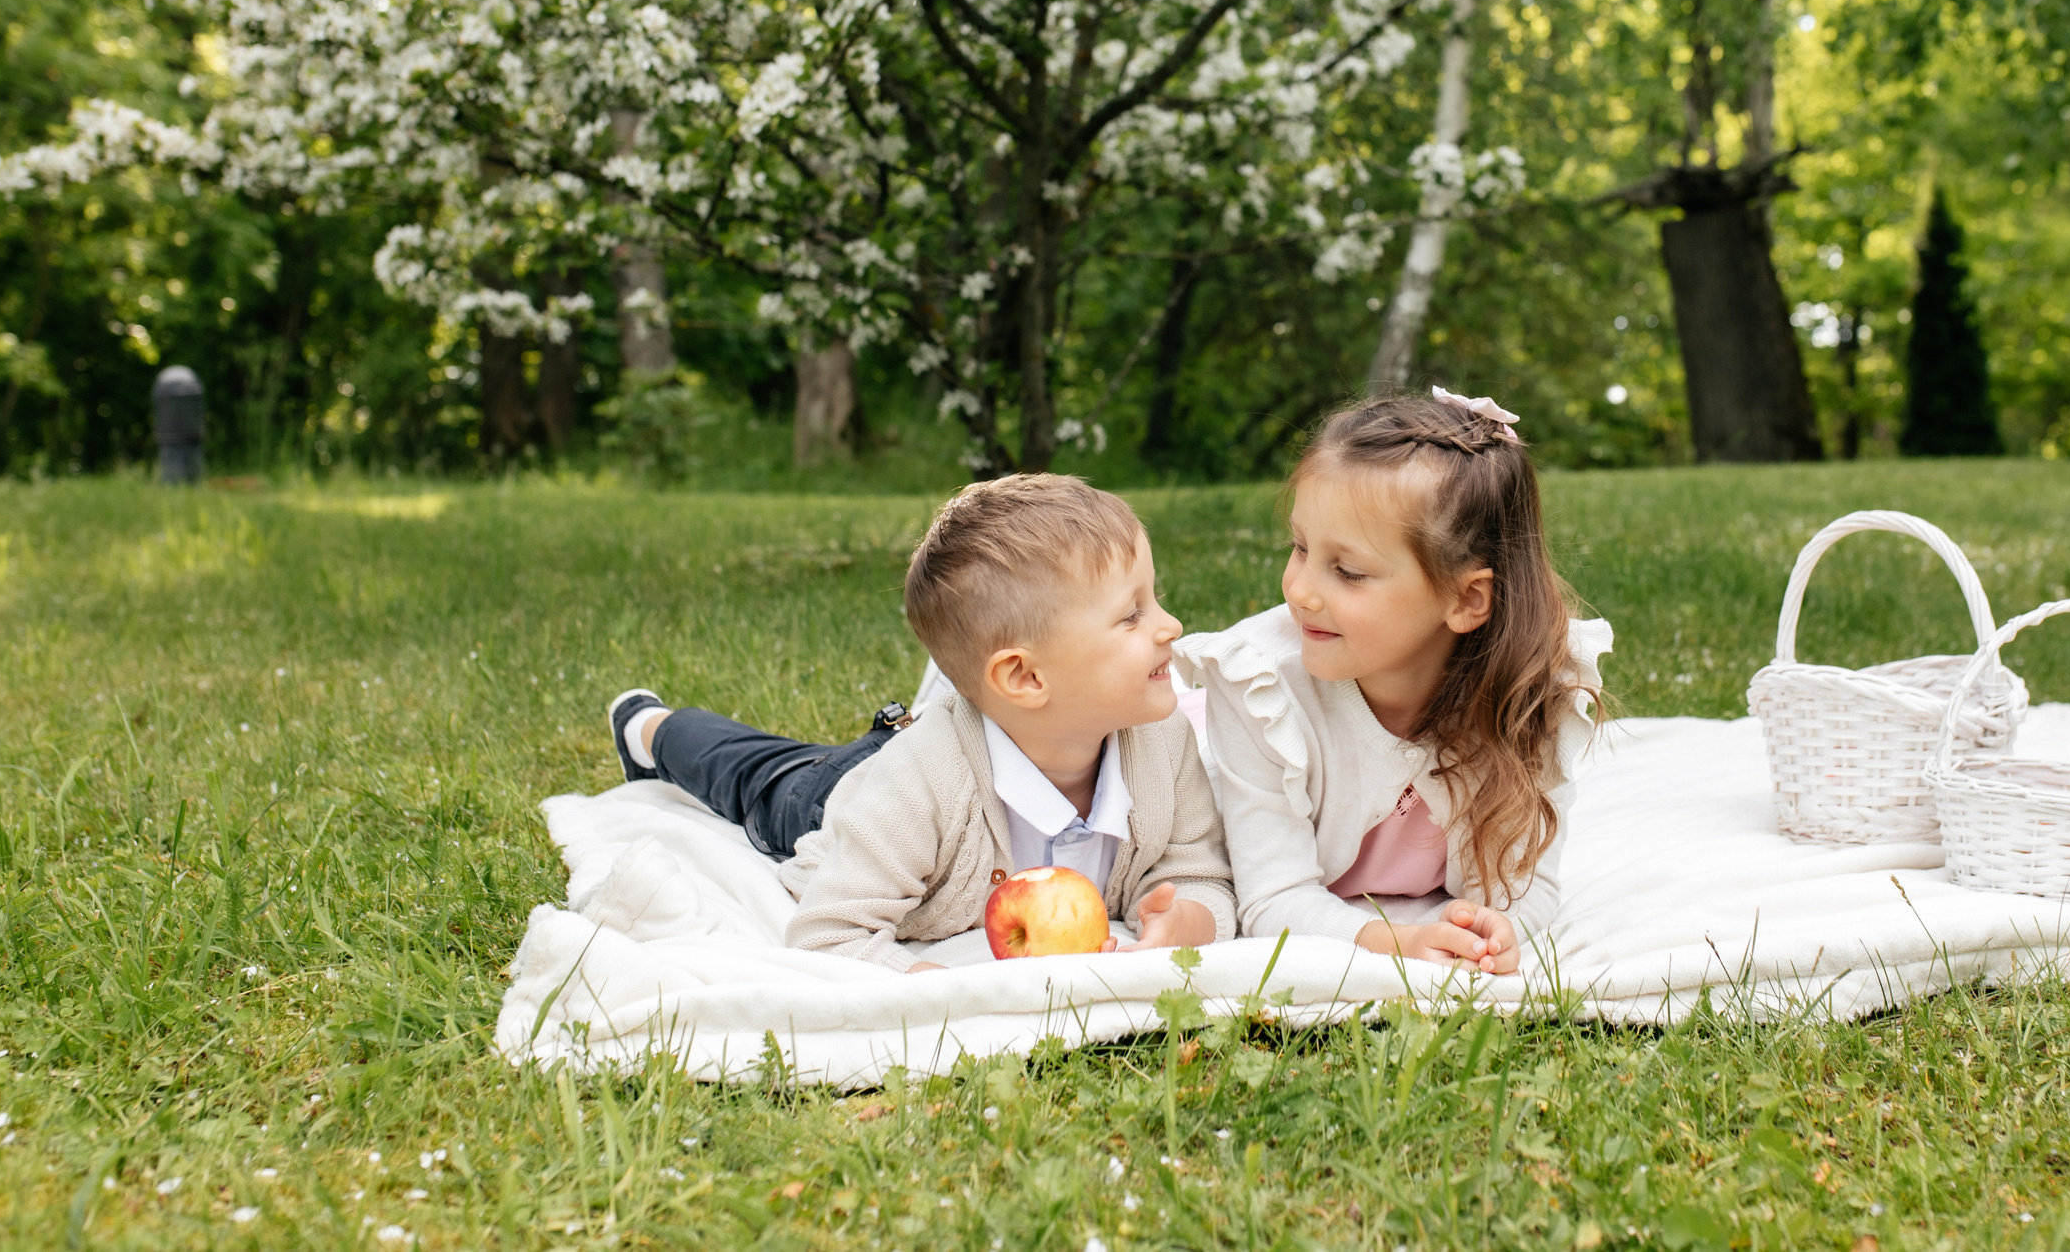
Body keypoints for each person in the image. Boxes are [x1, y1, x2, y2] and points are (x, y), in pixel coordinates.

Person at [606, 474, 1234, 971]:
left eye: (1154, 599)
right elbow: (830, 932)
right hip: (846, 795)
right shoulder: (913, 790)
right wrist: (921, 983)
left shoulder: (1163, 742)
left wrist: (1187, 920)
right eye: (1131, 616)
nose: (1170, 626)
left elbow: (1200, 871)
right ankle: (651, 728)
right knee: (763, 782)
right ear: (1025, 677)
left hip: (965, 737)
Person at [1175, 389, 1612, 976]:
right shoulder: (1260, 691)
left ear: (1466, 599)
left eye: (1348, 571)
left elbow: (1527, 887)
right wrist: (1393, 943)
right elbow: (1270, 900)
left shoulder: (1532, 693)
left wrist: (1495, 929)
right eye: (1299, 547)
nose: (1300, 590)